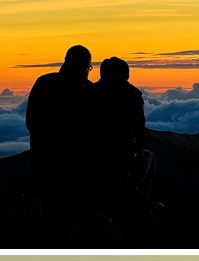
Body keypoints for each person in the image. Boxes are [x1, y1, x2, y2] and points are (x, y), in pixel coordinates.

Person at [25, 44, 94, 205]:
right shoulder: (89, 92)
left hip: (41, 164)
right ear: (85, 67)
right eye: (89, 67)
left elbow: (31, 121)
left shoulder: (43, 82)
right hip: (75, 171)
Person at [92, 55, 153, 201]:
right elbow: (139, 128)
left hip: (91, 156)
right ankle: (137, 198)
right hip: (120, 157)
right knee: (149, 158)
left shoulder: (91, 92)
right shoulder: (133, 95)